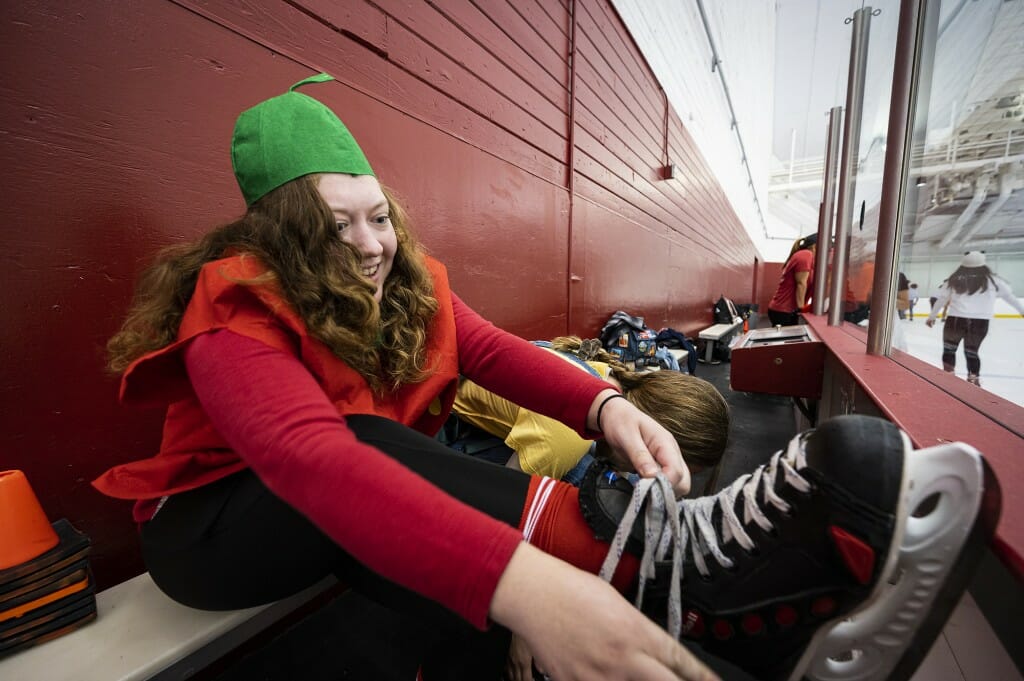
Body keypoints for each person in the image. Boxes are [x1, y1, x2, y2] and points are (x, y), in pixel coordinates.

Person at [92, 74, 992, 681]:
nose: (370, 247)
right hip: (217, 530)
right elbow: (311, 461)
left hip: (355, 493)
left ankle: (731, 618)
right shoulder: (235, 303)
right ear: (283, 235)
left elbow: (489, 350)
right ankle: (667, 562)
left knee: (429, 495)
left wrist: (606, 404)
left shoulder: (403, 281)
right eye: (336, 226)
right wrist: (525, 580)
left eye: (379, 217)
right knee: (386, 455)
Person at [451, 336, 730, 485]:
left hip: (502, 424)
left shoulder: (612, 378)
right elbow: (501, 501)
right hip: (441, 423)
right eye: (662, 464)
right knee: (592, 485)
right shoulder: (567, 439)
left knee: (621, 482)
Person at [926, 251, 1024, 387]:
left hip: (955, 320)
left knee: (949, 350)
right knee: (972, 351)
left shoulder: (955, 279)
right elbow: (1010, 297)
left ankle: (948, 376)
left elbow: (942, 298)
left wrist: (932, 316)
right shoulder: (993, 280)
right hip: (980, 322)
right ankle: (973, 378)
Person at [767, 234, 817, 327]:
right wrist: (801, 310)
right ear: (815, 246)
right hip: (784, 311)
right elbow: (801, 283)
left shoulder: (809, 259)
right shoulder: (806, 254)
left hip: (785, 310)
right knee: (785, 341)